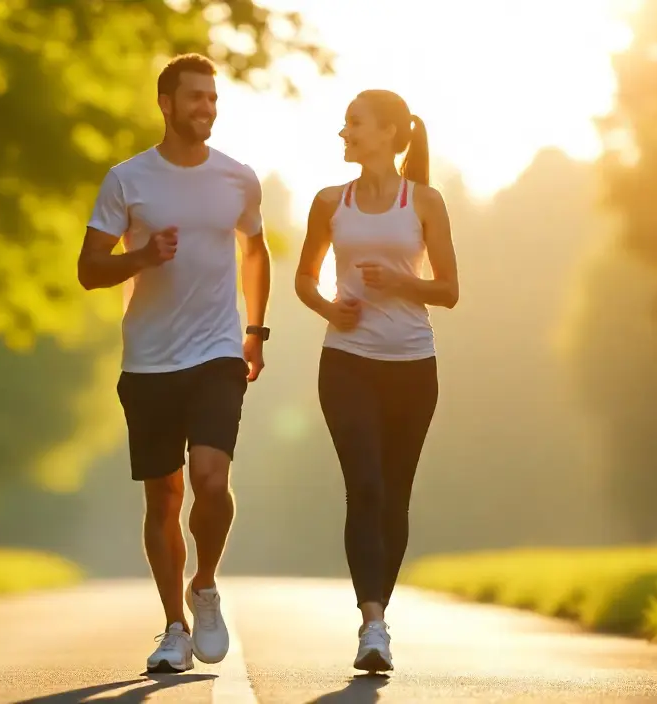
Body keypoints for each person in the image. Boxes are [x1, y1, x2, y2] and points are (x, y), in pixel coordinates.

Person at [76, 53, 271, 674]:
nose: (206, 109)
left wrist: (256, 332)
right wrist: (141, 258)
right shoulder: (127, 180)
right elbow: (88, 269)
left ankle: (205, 583)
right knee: (163, 496)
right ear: (166, 103)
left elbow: (256, 250)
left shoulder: (238, 179)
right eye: (195, 98)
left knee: (212, 480)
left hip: (217, 351)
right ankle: (172, 627)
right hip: (150, 359)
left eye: (213, 99)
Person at [293, 89, 458, 673]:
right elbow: (305, 278)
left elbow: (449, 291)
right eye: (344, 126)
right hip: (347, 362)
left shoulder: (426, 202)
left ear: (389, 133)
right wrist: (328, 309)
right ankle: (372, 623)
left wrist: (398, 283)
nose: (344, 134)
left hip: (413, 366)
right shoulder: (328, 202)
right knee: (364, 487)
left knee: (394, 494)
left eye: (354, 125)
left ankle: (378, 612)